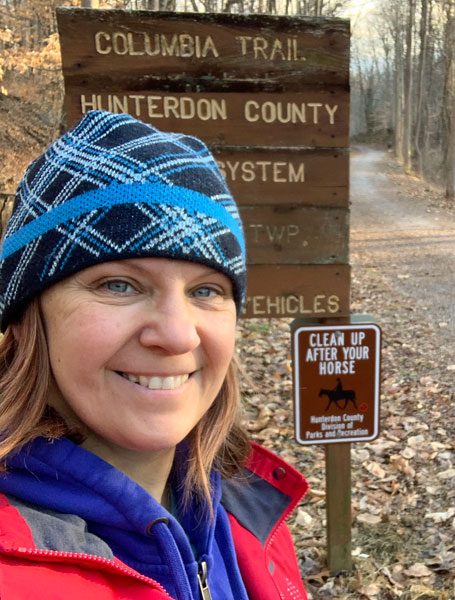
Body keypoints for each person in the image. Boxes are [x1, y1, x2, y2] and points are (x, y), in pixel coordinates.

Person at [0, 110, 309, 598]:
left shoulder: (249, 512)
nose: (178, 335)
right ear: (24, 316)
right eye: (119, 284)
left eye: (206, 291)